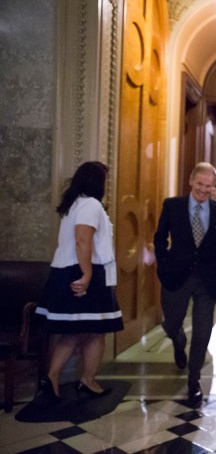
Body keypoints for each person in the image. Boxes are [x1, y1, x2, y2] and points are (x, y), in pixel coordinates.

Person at [35, 161, 124, 401]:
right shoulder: (90, 204)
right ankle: (75, 378)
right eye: (106, 180)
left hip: (69, 270)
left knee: (80, 331)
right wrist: (86, 275)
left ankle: (69, 378)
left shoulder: (75, 204)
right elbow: (82, 240)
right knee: (92, 331)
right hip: (84, 271)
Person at [153, 162, 216, 406]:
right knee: (171, 323)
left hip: (208, 279)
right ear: (191, 181)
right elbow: (159, 237)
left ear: (214, 187)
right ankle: (178, 342)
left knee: (203, 331)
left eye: (208, 186)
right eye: (200, 184)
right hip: (176, 276)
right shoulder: (172, 206)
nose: (203, 190)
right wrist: (163, 263)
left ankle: (194, 380)